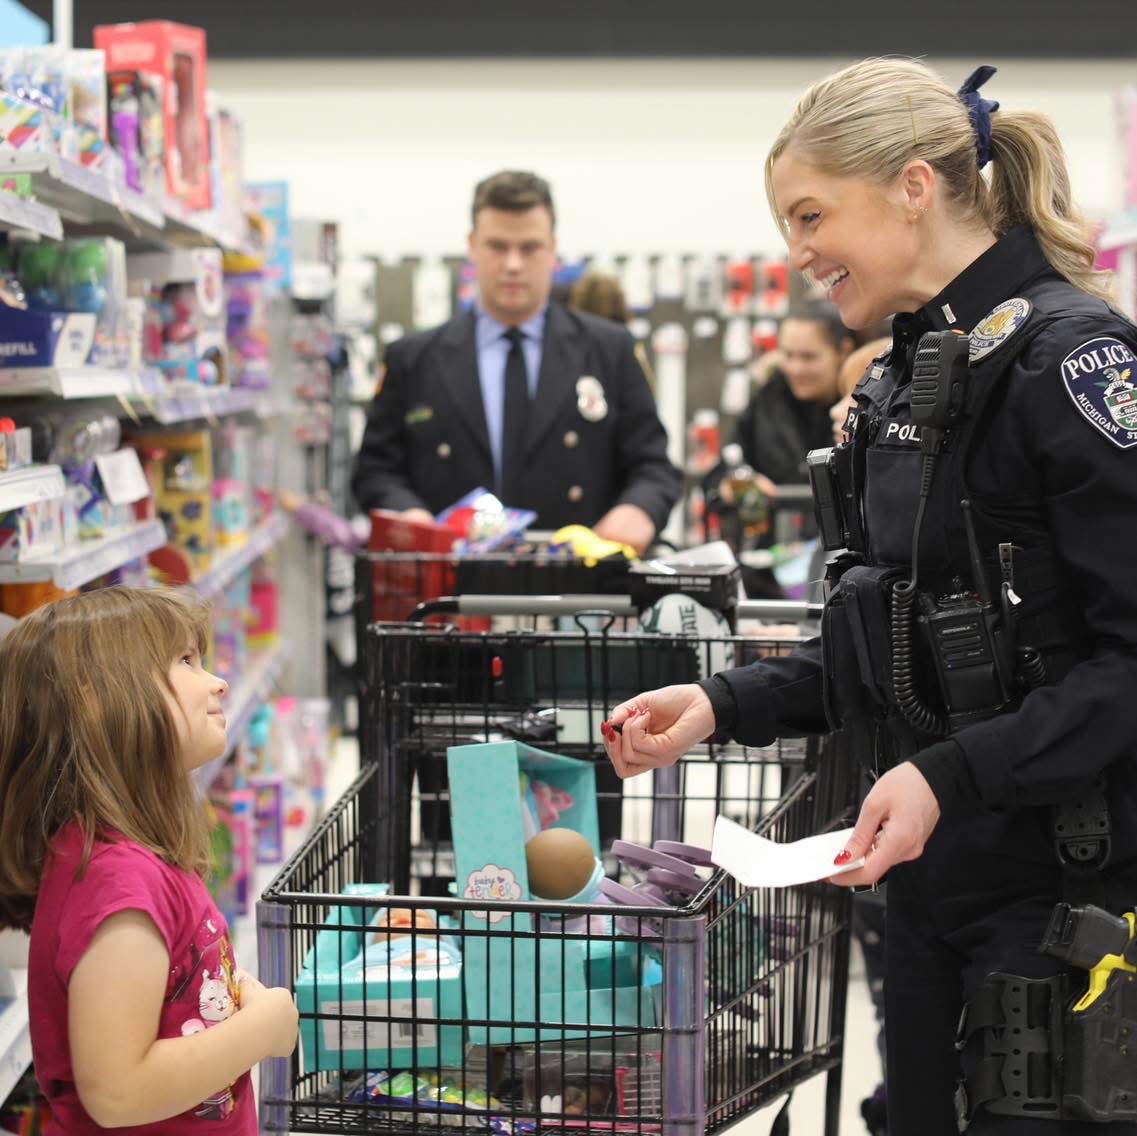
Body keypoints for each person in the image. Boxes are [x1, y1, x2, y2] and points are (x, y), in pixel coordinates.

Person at [601, 57, 1137, 1134]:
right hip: (931, 889)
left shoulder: (1071, 367)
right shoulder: (905, 380)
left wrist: (947, 773)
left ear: (914, 186)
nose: (795, 253)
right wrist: (725, 705)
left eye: (810, 215)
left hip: (1068, 900)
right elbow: (890, 631)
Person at [0, 587, 299, 1133]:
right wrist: (264, 1029)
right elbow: (118, 1091)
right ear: (97, 699)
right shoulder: (117, 885)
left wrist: (240, 998)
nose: (217, 681)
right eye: (185, 660)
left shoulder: (138, 856)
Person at [351, 171, 680, 554]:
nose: (512, 264)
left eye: (529, 248)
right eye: (497, 246)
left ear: (553, 250)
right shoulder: (414, 358)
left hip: (578, 593)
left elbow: (654, 466)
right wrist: (407, 513)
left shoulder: (609, 350)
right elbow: (375, 470)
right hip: (449, 591)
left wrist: (638, 509)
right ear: (472, 246)